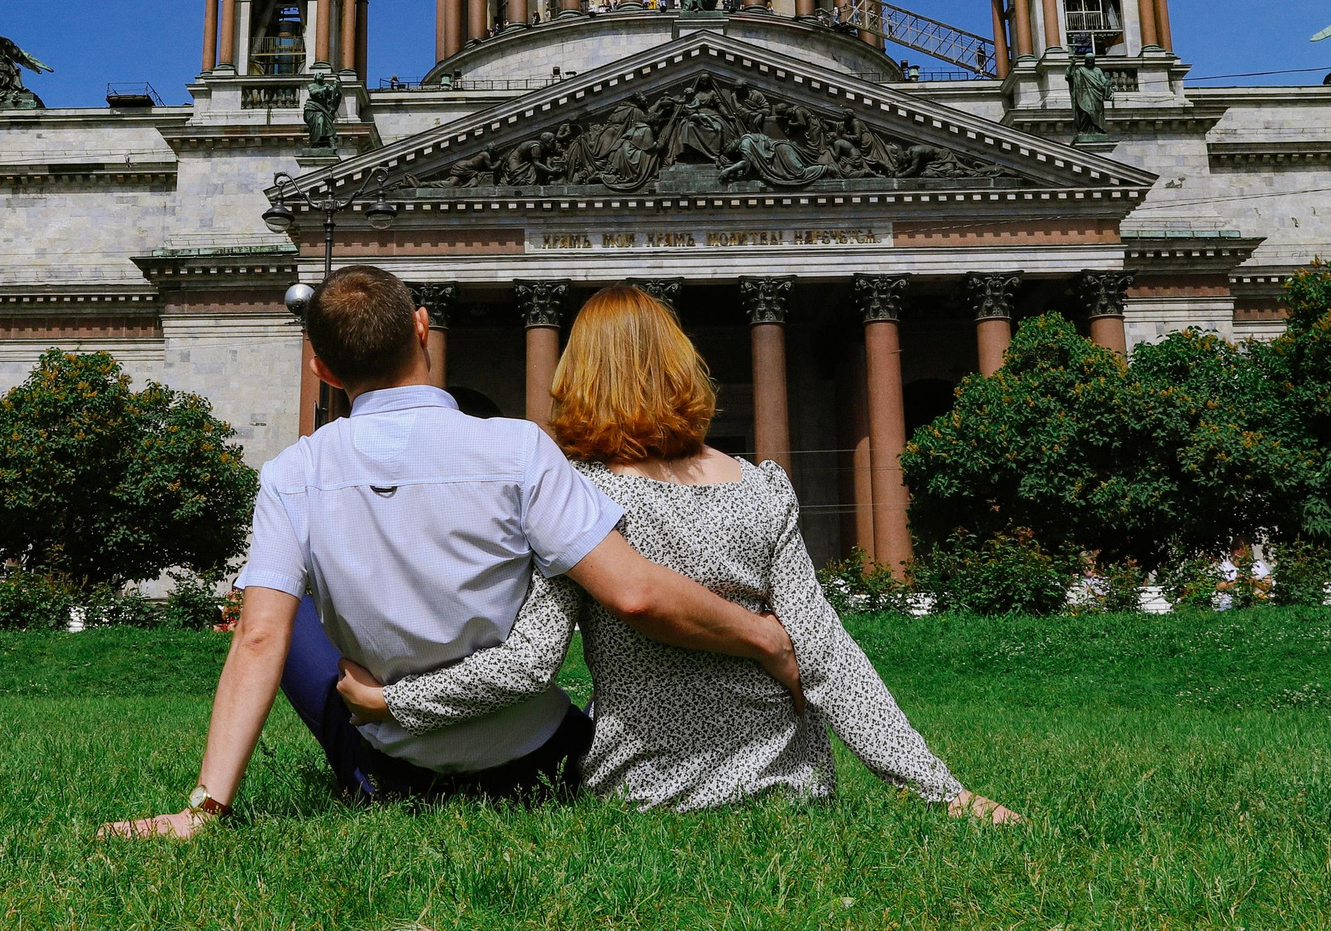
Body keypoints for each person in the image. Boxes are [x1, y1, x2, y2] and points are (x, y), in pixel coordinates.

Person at [101, 267, 802, 840]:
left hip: (390, 762)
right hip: (533, 767)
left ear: (320, 365)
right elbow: (635, 592)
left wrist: (204, 808)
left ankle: (374, 776)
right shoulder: (520, 447)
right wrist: (762, 636)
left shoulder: (293, 472)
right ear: (420, 327)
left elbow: (258, 639)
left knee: (278, 613)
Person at [339, 284, 1020, 823]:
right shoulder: (762, 488)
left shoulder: (581, 500)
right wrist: (944, 792)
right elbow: (827, 657)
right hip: (784, 796)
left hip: (644, 795)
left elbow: (525, 665)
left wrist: (393, 702)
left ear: (579, 377)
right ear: (679, 365)